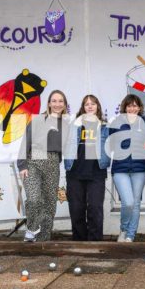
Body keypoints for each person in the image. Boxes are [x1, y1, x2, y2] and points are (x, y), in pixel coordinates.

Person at [18, 90, 69, 242]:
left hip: (53, 162)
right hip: (34, 160)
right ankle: (32, 229)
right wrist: (22, 165)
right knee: (34, 198)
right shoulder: (38, 120)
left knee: (50, 203)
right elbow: (25, 142)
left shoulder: (66, 124)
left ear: (65, 104)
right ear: (49, 103)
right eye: (54, 101)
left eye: (60, 101)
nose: (57, 104)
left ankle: (43, 239)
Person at [63, 94, 110, 241]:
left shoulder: (105, 126)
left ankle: (95, 242)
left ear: (98, 107)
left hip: (96, 172)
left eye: (93, 103)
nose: (90, 106)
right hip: (75, 172)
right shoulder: (73, 124)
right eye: (87, 104)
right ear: (83, 107)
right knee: (76, 209)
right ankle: (79, 241)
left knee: (95, 208)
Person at [109, 94, 145, 242]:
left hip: (139, 169)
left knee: (136, 203)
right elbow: (109, 143)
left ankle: (131, 235)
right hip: (120, 169)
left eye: (135, 106)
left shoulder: (144, 123)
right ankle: (124, 229)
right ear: (125, 107)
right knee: (128, 202)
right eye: (129, 106)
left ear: (139, 108)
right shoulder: (116, 122)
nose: (132, 108)